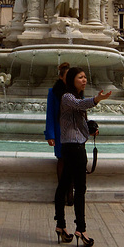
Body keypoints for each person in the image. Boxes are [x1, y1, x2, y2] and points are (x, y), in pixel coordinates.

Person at [54, 67, 111, 247]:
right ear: (72, 80)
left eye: (86, 77)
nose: (84, 80)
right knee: (79, 188)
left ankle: (61, 226)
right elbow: (81, 105)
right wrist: (96, 99)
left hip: (74, 146)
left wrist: (90, 128)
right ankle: (81, 229)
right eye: (80, 77)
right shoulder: (67, 97)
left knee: (64, 184)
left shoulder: (75, 98)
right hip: (74, 148)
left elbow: (77, 120)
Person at [44, 63, 73, 204]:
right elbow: (50, 114)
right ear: (61, 77)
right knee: (62, 159)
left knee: (73, 161)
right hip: (60, 130)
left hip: (75, 131)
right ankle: (62, 192)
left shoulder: (77, 90)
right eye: (67, 76)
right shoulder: (53, 91)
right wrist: (50, 134)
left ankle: (70, 191)